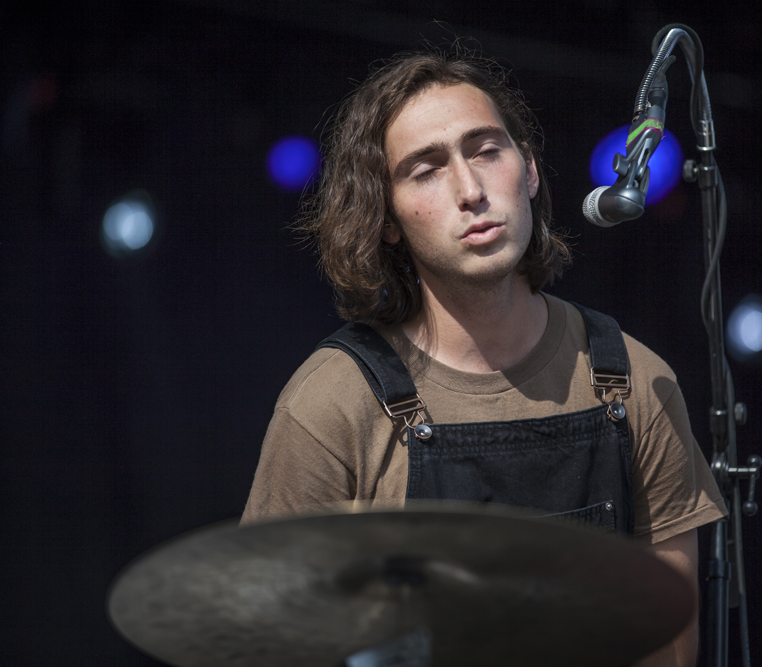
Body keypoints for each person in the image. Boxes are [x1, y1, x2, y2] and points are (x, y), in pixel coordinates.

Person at [242, 47, 726, 667]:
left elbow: (670, 649)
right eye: (426, 169)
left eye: (485, 151)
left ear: (528, 172)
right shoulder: (331, 405)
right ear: (387, 218)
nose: (470, 190)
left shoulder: (636, 382)